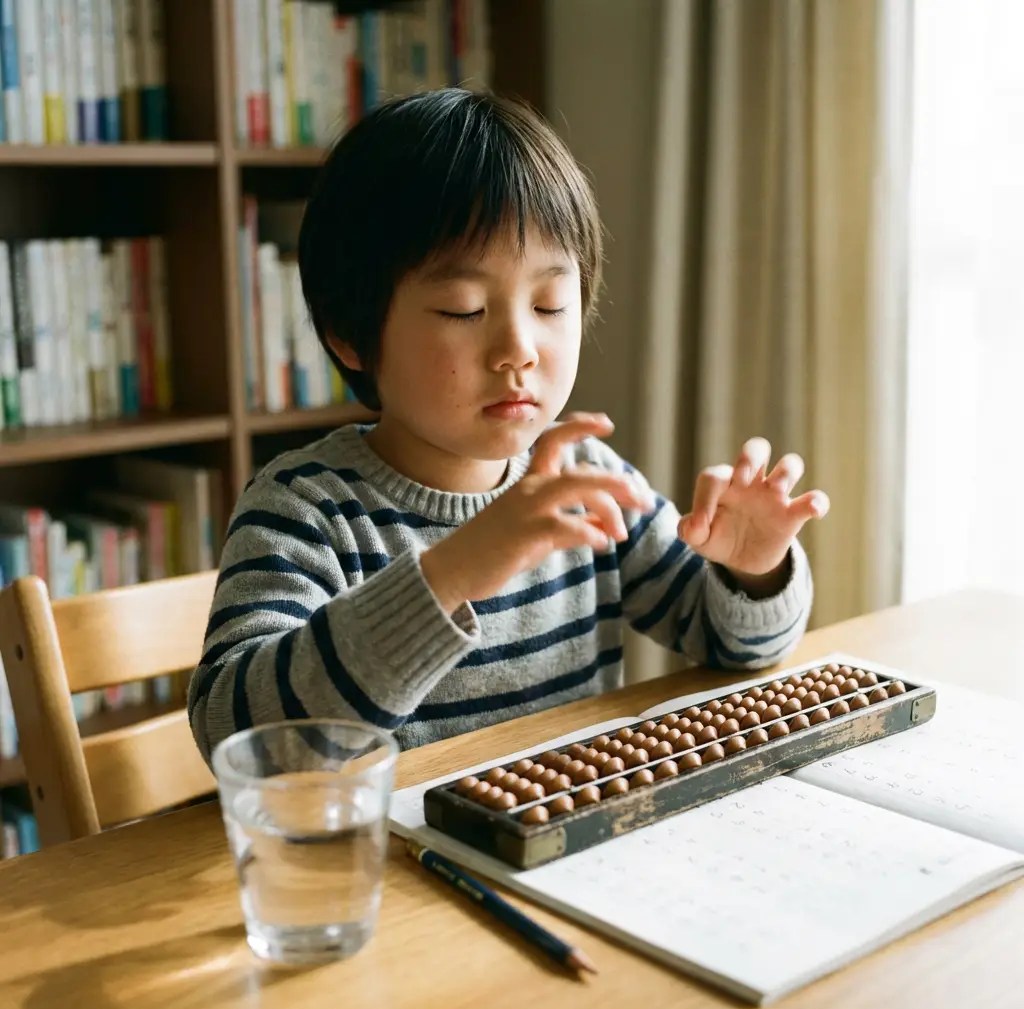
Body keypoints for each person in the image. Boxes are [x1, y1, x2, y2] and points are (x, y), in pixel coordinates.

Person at [188, 89, 829, 763]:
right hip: (393, 860)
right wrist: (455, 571)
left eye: (551, 304)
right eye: (464, 309)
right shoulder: (304, 509)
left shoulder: (586, 485)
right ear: (350, 334)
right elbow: (240, 737)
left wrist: (756, 573)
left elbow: (734, 645)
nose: (519, 348)